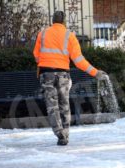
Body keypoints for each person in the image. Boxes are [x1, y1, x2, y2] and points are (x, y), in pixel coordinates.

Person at [33, 11, 106, 146]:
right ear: (64, 21)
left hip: (46, 74)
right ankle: (65, 133)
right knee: (64, 104)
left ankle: (58, 131)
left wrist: (46, 61)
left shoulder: (42, 34)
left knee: (52, 106)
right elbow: (79, 61)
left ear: (52, 21)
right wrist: (95, 72)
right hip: (63, 75)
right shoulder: (70, 36)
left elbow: (36, 56)